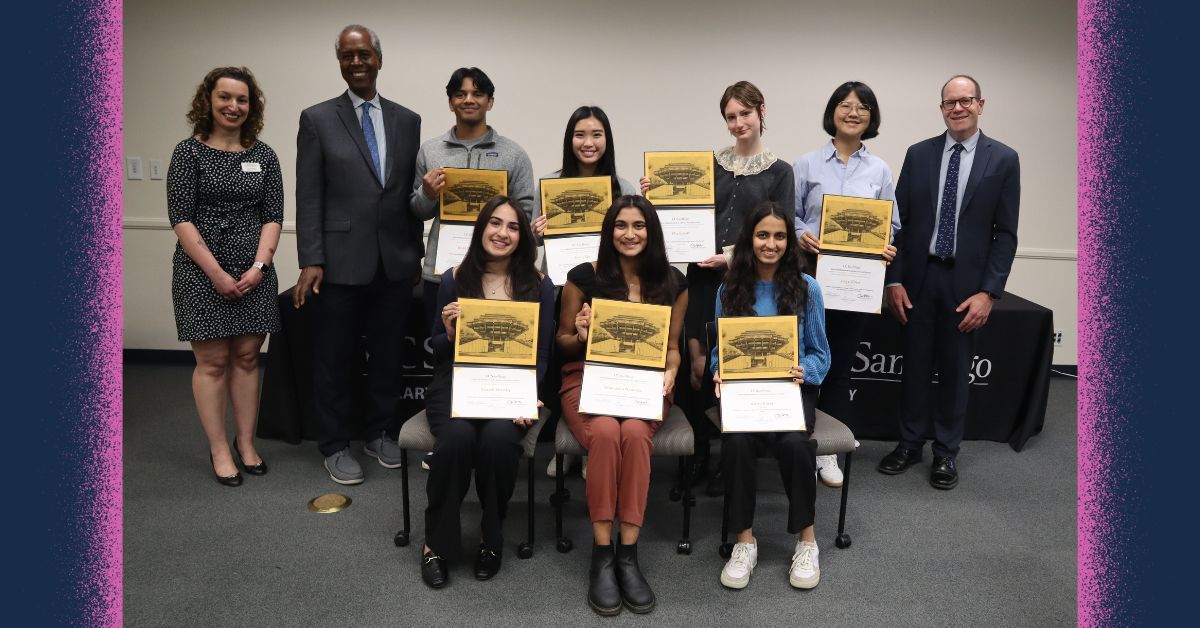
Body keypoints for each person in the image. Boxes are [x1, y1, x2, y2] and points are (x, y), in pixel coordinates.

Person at [642, 81, 795, 496]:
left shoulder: (781, 171)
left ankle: (733, 457)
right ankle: (696, 457)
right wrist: (655, 197)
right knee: (695, 366)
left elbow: (781, 233)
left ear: (761, 111)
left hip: (746, 282)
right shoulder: (708, 166)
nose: (738, 123)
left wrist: (730, 257)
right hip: (701, 279)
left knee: (733, 365)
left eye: (745, 114)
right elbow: (681, 217)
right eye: (731, 116)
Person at [294, 24, 422, 485]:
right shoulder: (317, 118)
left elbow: (407, 194)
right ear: (340, 62)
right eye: (347, 56)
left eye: (364, 54)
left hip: (394, 260)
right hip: (339, 261)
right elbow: (309, 196)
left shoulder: (408, 120)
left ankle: (381, 432)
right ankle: (334, 443)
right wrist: (311, 257)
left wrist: (417, 252)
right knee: (335, 358)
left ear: (378, 59)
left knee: (389, 356)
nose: (356, 62)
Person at [879, 75, 1020, 490]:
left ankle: (945, 453)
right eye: (949, 103)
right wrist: (895, 280)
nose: (957, 108)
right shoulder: (919, 154)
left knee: (957, 372)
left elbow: (1005, 233)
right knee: (915, 367)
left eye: (965, 101)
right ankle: (908, 444)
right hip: (919, 279)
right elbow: (898, 225)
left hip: (966, 285)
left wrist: (989, 291)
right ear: (941, 108)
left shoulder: (1004, 159)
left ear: (981, 104)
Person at [557, 195, 687, 616]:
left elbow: (671, 349)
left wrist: (672, 370)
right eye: (620, 226)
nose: (629, 234)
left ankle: (628, 554)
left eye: (639, 226)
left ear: (652, 232)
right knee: (608, 433)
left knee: (632, 431)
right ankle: (601, 554)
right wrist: (578, 332)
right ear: (608, 231)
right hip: (587, 379)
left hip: (644, 384)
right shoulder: (583, 278)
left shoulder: (672, 283)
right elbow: (561, 343)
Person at [419, 196, 556, 589]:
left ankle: (491, 538)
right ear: (482, 228)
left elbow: (542, 354)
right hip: (457, 382)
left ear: (523, 235)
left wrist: (530, 397)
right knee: (458, 439)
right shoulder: (453, 277)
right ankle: (436, 545)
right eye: (495, 224)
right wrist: (447, 333)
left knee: (498, 441)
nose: (503, 233)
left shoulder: (539, 286)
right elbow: (436, 350)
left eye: (513, 227)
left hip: (512, 386)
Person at [411, 67, 541, 471]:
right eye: (460, 94)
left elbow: (527, 213)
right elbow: (415, 210)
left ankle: (488, 427)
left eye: (478, 94)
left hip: (498, 272)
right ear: (450, 100)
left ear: (490, 101)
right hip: (444, 269)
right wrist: (427, 194)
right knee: (446, 354)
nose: (469, 100)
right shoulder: (430, 150)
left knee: (497, 348)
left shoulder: (514, 154)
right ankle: (453, 434)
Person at [167, 66, 282, 487]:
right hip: (201, 274)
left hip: (255, 273)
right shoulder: (188, 152)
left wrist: (258, 268)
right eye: (225, 98)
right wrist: (216, 273)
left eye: (242, 99)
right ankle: (219, 449)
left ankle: (246, 443)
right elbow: (180, 218)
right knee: (213, 362)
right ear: (208, 101)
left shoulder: (264, 155)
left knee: (249, 359)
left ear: (252, 106)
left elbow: (273, 216)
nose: (234, 106)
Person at [711, 202, 830, 590]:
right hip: (743, 390)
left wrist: (805, 371)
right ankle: (745, 541)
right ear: (749, 238)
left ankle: (807, 541)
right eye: (763, 235)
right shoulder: (729, 287)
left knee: (796, 445)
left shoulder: (807, 288)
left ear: (789, 241)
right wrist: (718, 368)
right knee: (737, 443)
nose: (771, 244)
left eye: (780, 236)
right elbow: (719, 348)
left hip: (791, 389)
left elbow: (821, 354)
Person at [792, 81, 898, 487]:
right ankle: (797, 439)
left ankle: (828, 451)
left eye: (862, 107)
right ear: (832, 112)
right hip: (811, 280)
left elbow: (892, 223)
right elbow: (790, 215)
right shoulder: (806, 163)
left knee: (838, 365)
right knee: (806, 359)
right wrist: (802, 232)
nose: (853, 113)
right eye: (845, 105)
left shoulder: (880, 169)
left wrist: (887, 246)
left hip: (857, 284)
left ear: (871, 117)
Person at [539, 105, 639, 480]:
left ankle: (588, 447)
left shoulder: (622, 187)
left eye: (597, 134)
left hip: (606, 289)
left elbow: (638, 235)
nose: (588, 142)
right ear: (570, 140)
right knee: (562, 362)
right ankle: (565, 447)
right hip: (564, 285)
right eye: (580, 134)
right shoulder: (549, 184)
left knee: (600, 364)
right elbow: (532, 240)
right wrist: (537, 230)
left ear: (607, 140)